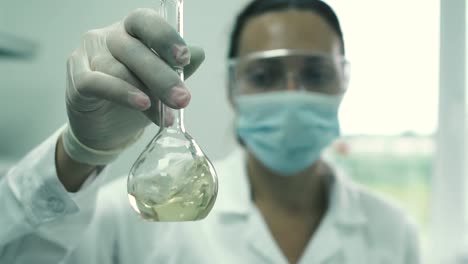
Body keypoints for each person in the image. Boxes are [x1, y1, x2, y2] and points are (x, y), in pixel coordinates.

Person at [0, 0, 420, 263]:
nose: (292, 93)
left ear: (343, 81)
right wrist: (80, 152)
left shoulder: (393, 231)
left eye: (314, 72)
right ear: (233, 87)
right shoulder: (128, 220)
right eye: (265, 74)